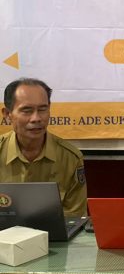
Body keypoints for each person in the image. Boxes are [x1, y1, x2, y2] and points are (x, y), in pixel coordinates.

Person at [0, 78, 87, 217]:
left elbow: (75, 217)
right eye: (26, 110)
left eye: (42, 109)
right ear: (7, 114)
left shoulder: (70, 158)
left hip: (52, 231)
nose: (36, 118)